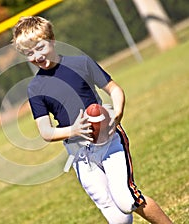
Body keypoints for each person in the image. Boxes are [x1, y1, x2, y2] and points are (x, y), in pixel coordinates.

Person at [12, 16, 172, 224]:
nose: (36, 56)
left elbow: (114, 89)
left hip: (108, 140)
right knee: (118, 219)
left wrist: (117, 113)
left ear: (52, 40)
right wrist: (74, 130)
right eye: (28, 53)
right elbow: (46, 132)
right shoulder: (35, 88)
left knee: (125, 199)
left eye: (39, 47)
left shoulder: (80, 63)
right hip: (79, 153)